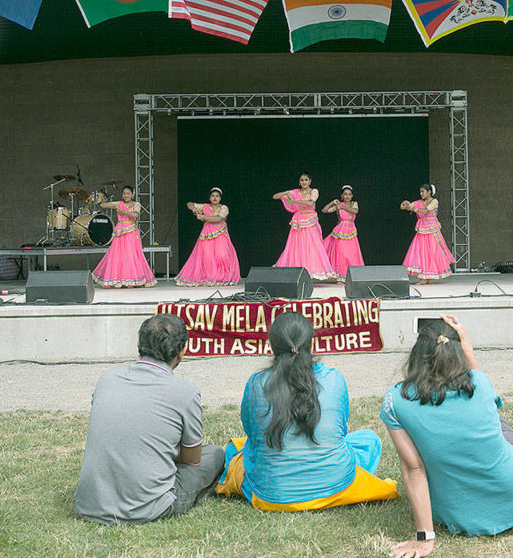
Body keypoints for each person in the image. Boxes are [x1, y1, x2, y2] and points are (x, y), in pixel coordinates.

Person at [381, 315, 513, 557]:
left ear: (417, 354)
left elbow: (414, 469)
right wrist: (467, 345)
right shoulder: (480, 382)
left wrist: (424, 538)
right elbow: (485, 391)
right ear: (457, 352)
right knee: (497, 419)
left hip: (455, 514)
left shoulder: (395, 400)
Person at [215, 312, 398, 511]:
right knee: (369, 440)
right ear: (310, 344)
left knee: (234, 451)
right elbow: (342, 431)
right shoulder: (334, 378)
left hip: (272, 493)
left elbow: (252, 434)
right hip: (334, 485)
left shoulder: (256, 383)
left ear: (272, 346)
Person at [75, 315, 225, 524]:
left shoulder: (106, 379)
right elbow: (192, 459)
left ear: (138, 344)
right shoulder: (185, 392)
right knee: (215, 455)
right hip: (147, 507)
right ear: (183, 352)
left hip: (89, 504)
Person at [273, 172, 337, 281]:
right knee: (296, 246)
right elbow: (275, 196)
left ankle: (312, 272)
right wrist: (286, 192)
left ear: (310, 181)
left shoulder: (314, 191)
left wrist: (294, 201)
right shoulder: (295, 192)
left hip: (310, 219)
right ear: (299, 181)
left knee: (312, 246)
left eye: (306, 180)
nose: (304, 182)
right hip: (298, 220)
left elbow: (310, 203)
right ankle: (298, 272)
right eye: (302, 180)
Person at [92, 186, 157, 288]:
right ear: (122, 195)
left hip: (130, 231)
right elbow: (102, 205)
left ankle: (131, 280)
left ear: (132, 194)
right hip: (119, 232)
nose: (126, 195)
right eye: (124, 194)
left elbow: (135, 215)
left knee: (130, 256)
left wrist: (123, 212)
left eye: (128, 193)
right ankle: (117, 280)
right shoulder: (119, 204)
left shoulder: (136, 204)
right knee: (117, 255)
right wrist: (110, 204)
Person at [175, 187, 241, 286]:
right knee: (207, 257)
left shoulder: (224, 208)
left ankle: (222, 278)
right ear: (209, 198)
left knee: (222, 255)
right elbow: (189, 204)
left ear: (220, 198)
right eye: (213, 196)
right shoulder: (205, 206)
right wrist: (195, 209)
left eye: (217, 196)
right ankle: (209, 278)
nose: (215, 198)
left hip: (220, 234)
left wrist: (202, 217)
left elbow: (218, 219)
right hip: (206, 234)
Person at [401, 184, 456, 285]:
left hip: (432, 230)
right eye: (420, 192)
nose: (421, 193)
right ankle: (423, 278)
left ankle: (428, 278)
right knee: (421, 253)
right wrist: (406, 204)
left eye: (423, 191)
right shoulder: (418, 202)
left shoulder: (434, 201)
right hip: (422, 230)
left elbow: (426, 210)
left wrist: (415, 209)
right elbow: (406, 207)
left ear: (429, 192)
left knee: (431, 253)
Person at [321, 185, 364, 281]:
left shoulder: (354, 204)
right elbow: (324, 210)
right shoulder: (338, 206)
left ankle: (352, 277)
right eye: (345, 194)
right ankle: (340, 276)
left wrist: (342, 207)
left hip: (351, 231)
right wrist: (333, 202)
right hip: (340, 232)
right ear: (342, 196)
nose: (347, 196)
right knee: (341, 254)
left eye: (349, 194)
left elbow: (355, 211)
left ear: (352, 196)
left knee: (352, 255)